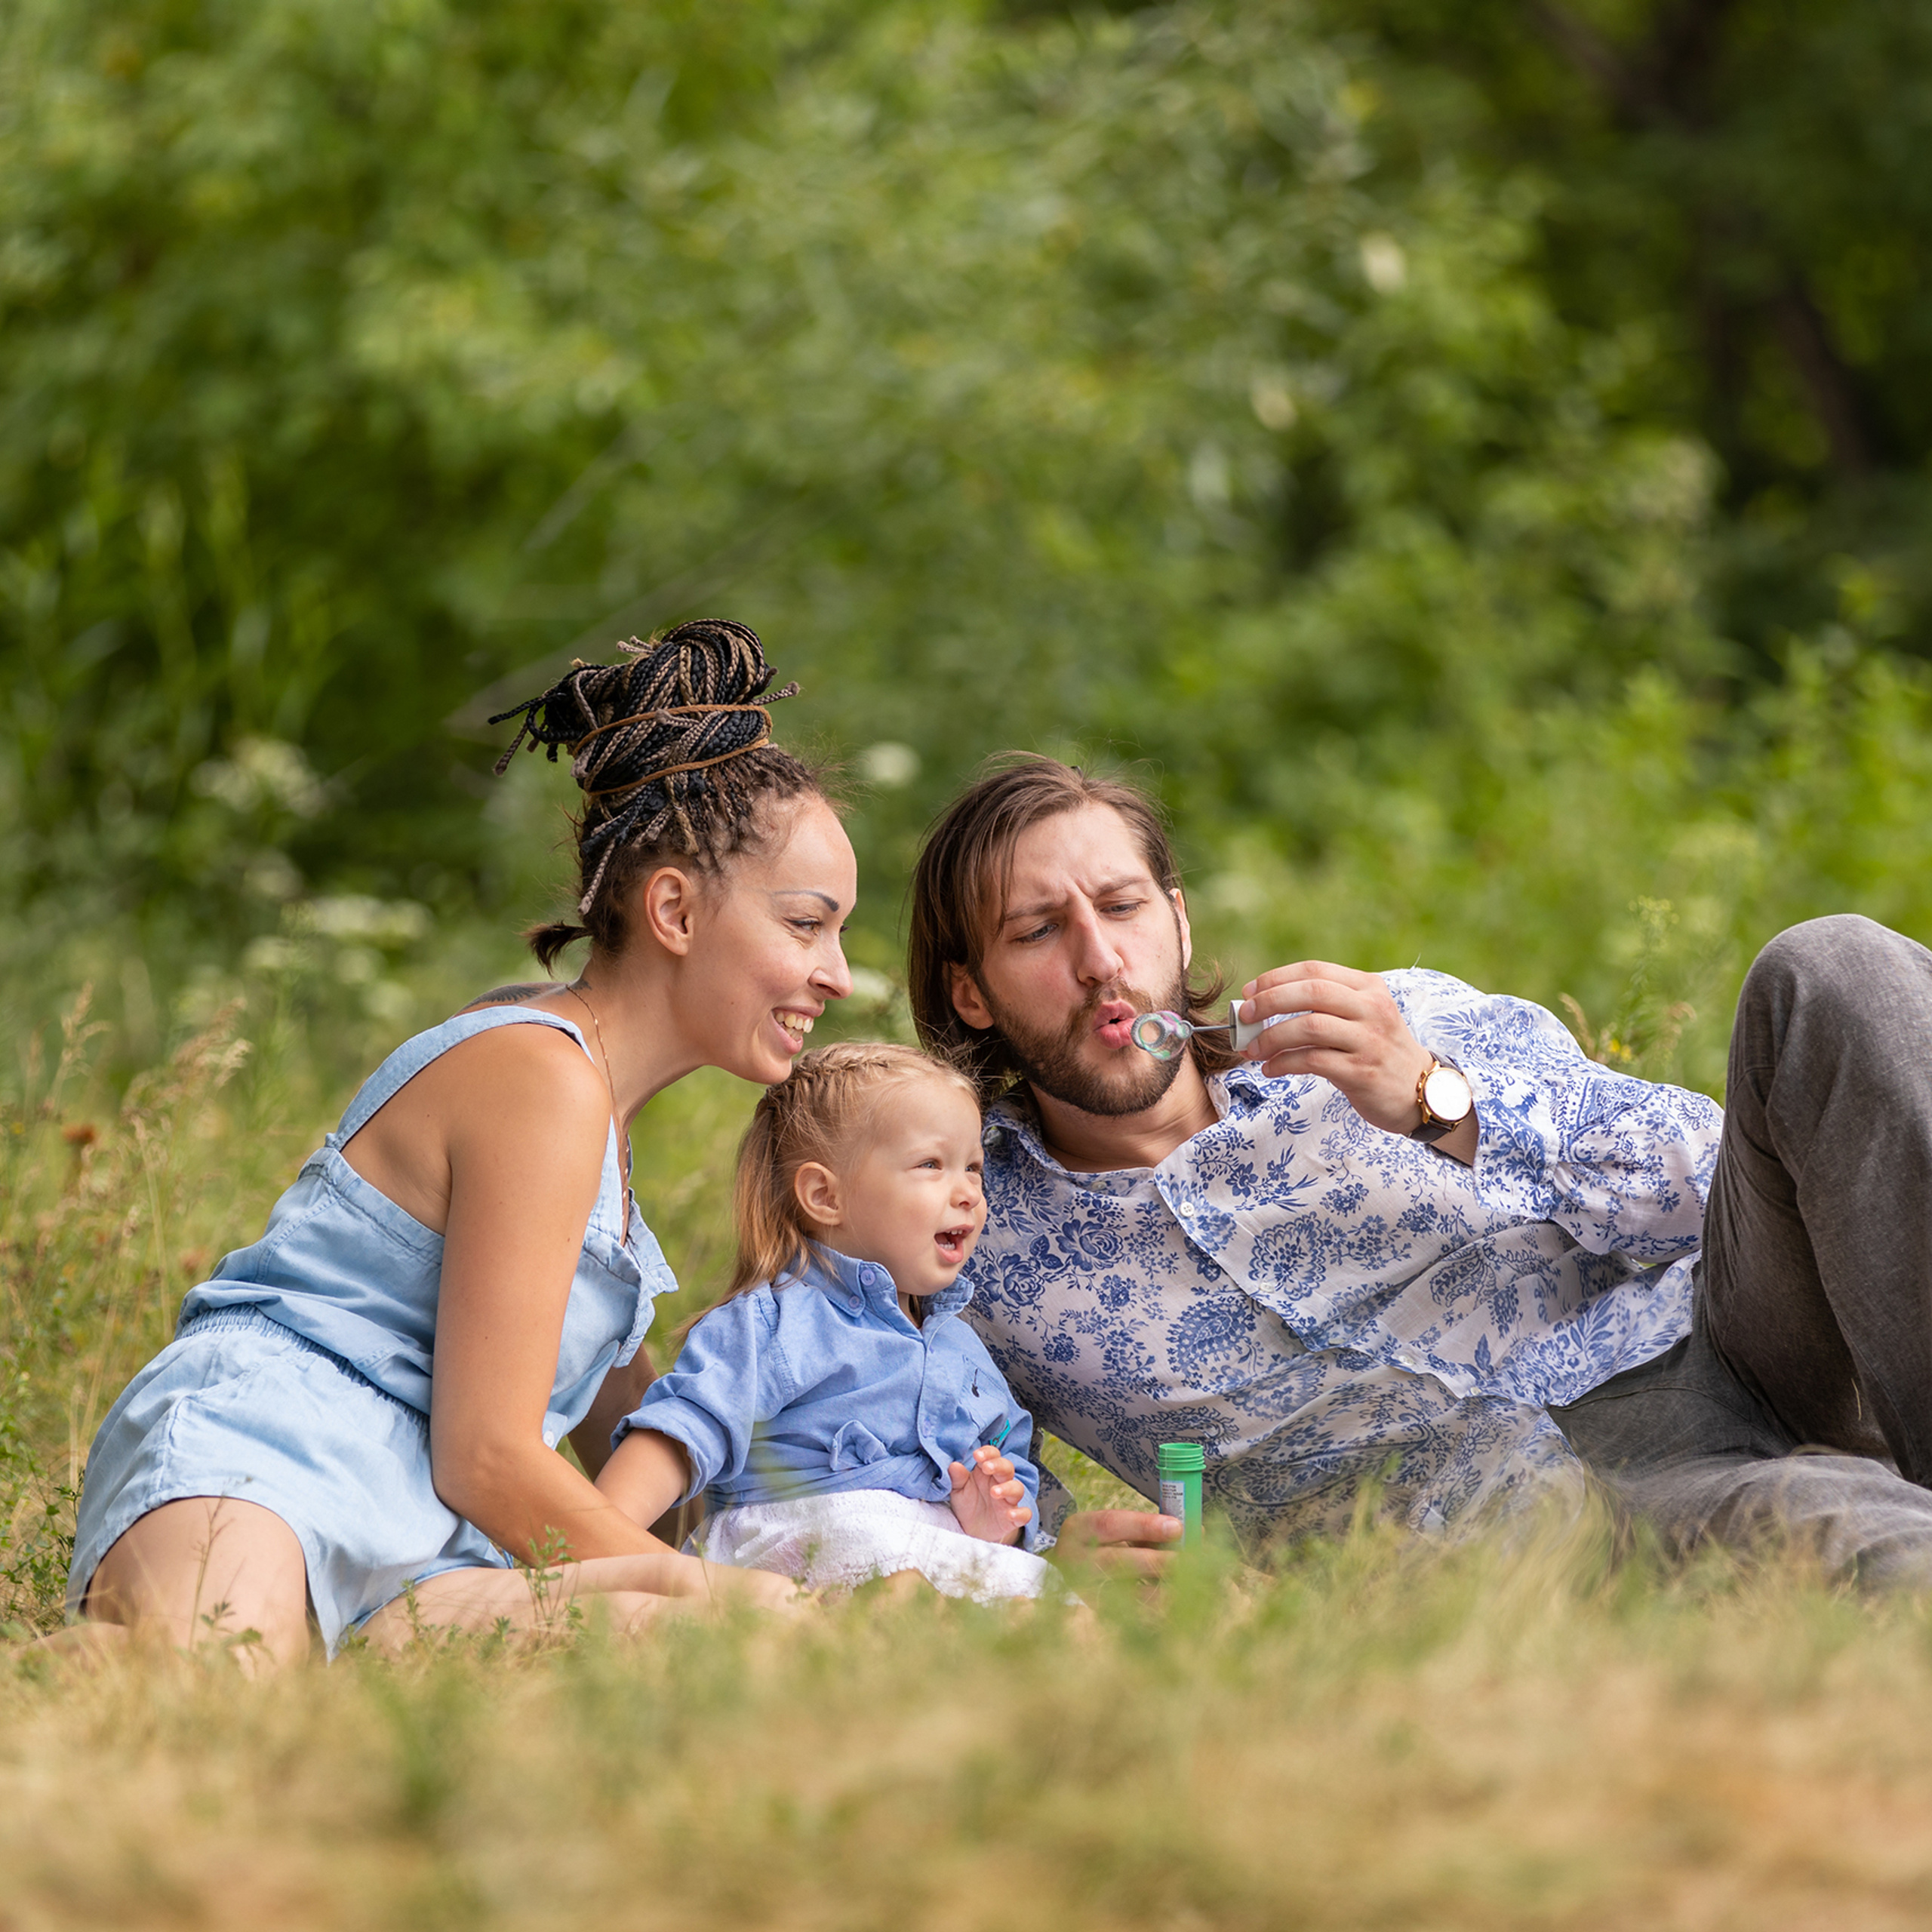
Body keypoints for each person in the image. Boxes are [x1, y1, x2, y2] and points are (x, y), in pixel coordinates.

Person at [906, 754, 1932, 1587]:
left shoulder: (1392, 1023)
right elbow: (878, 1445)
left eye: (1122, 907)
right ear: (971, 995)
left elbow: (1716, 1184)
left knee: (1832, 970)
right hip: (1560, 1526)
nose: (1100, 961)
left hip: (1733, 1333)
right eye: (1040, 931)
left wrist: (1446, 1104)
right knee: (1852, 1534)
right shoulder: (967, 1232)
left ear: (1176, 921)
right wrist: (1044, 1559)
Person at [66, 619, 846, 1665]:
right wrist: (700, 1579)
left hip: (426, 1551)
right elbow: (485, 1455)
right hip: (278, 1454)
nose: (836, 973)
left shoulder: (600, 1126)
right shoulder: (539, 1073)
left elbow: (617, 1438)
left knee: (712, 1656)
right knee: (200, 1694)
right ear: (674, 909)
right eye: (806, 924)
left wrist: (812, 1554)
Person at [598, 1041, 1053, 1602]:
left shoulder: (961, 1347)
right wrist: (600, 1548)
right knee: (879, 1551)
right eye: (931, 1165)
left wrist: (996, 1518)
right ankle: (895, 1615)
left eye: (973, 1168)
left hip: (932, 1539)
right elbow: (681, 1433)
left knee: (1046, 1591)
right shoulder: (778, 1319)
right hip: (803, 1532)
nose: (968, 1194)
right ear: (824, 1196)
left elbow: (1007, 1468)